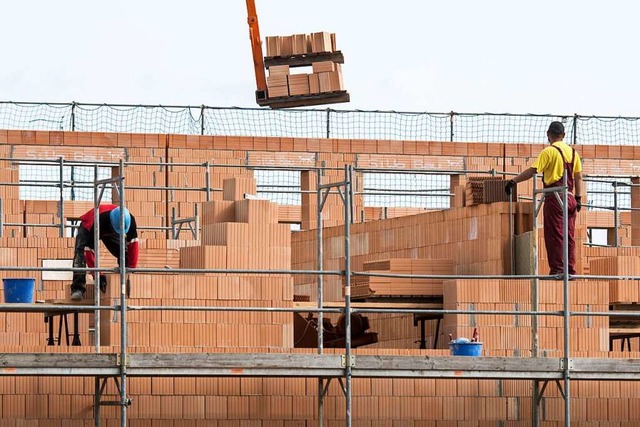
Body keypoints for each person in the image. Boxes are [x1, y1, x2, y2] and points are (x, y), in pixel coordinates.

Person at [505, 121, 583, 276]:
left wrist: (513, 181)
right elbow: (578, 177)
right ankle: (570, 271)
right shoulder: (573, 153)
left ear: (548, 135)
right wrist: (579, 198)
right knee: (568, 235)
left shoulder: (549, 152)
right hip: (570, 198)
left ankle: (558, 271)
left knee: (555, 235)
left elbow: (533, 170)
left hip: (555, 197)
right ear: (564, 135)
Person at [71, 204, 139, 300]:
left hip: (110, 227)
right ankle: (78, 289)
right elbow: (89, 250)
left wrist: (131, 269)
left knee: (123, 252)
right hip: (88, 226)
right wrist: (98, 275)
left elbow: (133, 245)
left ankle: (123, 278)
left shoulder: (130, 220)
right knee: (80, 253)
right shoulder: (100, 221)